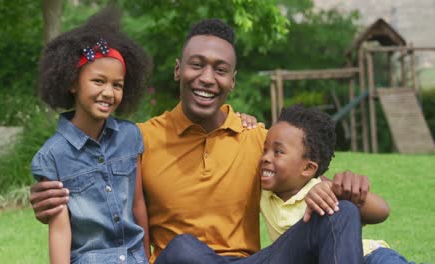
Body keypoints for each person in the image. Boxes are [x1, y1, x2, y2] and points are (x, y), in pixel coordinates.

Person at [30, 18, 375, 263]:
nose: (207, 78)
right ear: (179, 70)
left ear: (232, 82)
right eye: (197, 65)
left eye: (220, 70)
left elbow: (307, 186)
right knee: (182, 249)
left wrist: (344, 189)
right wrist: (46, 195)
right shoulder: (140, 139)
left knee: (340, 211)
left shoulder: (258, 138)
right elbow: (94, 182)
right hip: (181, 260)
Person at [30, 8, 152, 263]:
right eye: (98, 81)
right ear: (72, 83)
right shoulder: (52, 157)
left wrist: (148, 257)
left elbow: (138, 205)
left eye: (117, 85)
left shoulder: (131, 136)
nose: (109, 92)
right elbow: (60, 230)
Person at [260, 104, 414, 264]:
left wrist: (337, 190)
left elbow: (382, 210)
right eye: (264, 150)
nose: (265, 157)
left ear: (308, 168)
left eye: (278, 152)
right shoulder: (263, 192)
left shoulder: (321, 189)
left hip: (368, 257)